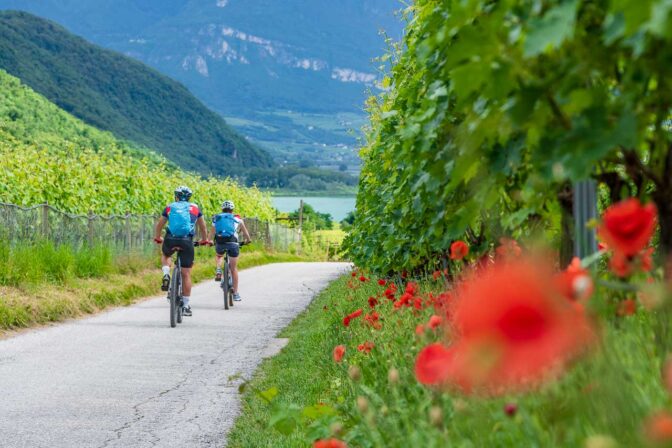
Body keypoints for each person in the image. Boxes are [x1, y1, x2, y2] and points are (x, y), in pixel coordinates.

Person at [153, 186, 209, 316]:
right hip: (187, 241)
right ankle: (185, 305)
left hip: (170, 238)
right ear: (189, 197)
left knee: (166, 254)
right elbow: (203, 227)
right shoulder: (195, 208)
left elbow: (159, 224)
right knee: (186, 274)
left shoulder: (169, 207)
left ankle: (166, 273)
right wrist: (204, 239)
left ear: (176, 196)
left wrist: (157, 237)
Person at [210, 200, 251, 301]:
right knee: (233, 269)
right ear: (232, 210)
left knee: (219, 255)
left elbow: (211, 233)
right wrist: (247, 241)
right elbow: (246, 235)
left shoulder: (217, 218)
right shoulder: (238, 219)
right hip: (233, 244)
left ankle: (219, 269)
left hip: (220, 243)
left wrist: (209, 240)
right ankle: (236, 293)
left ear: (222, 209)